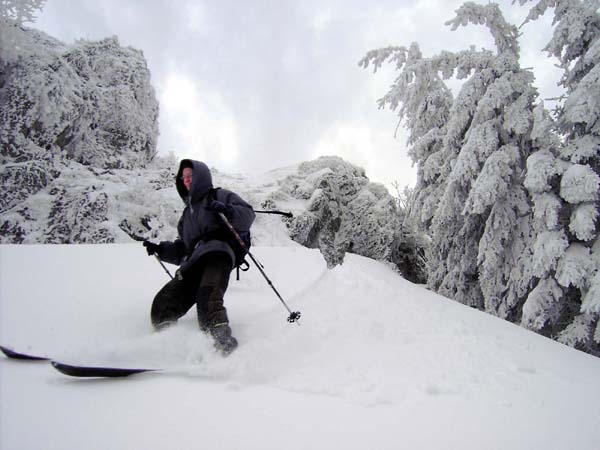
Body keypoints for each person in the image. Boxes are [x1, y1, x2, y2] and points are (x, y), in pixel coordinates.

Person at [143, 159, 255, 355]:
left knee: (208, 294)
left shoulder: (219, 195)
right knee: (164, 301)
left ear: (200, 176)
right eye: (184, 177)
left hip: (218, 252)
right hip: (193, 260)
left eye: (190, 176)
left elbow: (247, 215)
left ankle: (221, 344)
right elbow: (182, 249)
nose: (187, 180)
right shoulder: (186, 216)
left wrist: (226, 210)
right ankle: (167, 347)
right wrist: (161, 249)